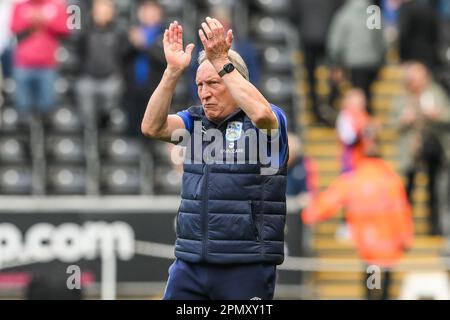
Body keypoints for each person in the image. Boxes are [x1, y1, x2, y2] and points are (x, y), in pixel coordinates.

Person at [141, 18, 289, 300]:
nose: (204, 93)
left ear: (235, 80)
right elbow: (152, 127)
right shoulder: (195, 122)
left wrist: (221, 59)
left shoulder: (269, 120)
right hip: (191, 262)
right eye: (199, 85)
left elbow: (261, 114)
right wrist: (172, 72)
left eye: (213, 83)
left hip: (245, 265)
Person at [302, 134, 414, 300]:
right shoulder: (391, 180)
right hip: (390, 243)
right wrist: (406, 238)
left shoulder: (353, 179)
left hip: (368, 243)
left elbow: (328, 201)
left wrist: (307, 214)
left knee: (371, 281)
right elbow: (401, 211)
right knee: (386, 284)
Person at [394, 62, 450, 235]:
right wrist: (404, 120)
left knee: (434, 189)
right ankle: (404, 228)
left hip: (434, 148)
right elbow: (392, 125)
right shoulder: (402, 98)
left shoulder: (435, 93)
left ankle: (434, 227)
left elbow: (448, 115)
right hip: (411, 150)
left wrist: (437, 114)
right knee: (407, 190)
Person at [10, 0, 69, 120]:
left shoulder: (56, 6)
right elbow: (14, 27)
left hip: (47, 66)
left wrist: (45, 20)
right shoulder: (20, 7)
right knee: (23, 108)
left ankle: (43, 137)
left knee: (47, 108)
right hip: (23, 65)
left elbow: (64, 29)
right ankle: (27, 137)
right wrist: (30, 20)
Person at [75, 0, 126, 135]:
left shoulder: (119, 32)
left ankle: (105, 129)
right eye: (100, 9)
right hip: (88, 77)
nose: (103, 13)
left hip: (110, 78)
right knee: (85, 100)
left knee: (111, 106)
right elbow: (79, 52)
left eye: (106, 10)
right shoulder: (85, 31)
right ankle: (90, 135)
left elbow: (124, 55)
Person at [123, 0, 166, 137]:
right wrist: (133, 43)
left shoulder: (166, 34)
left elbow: (163, 59)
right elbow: (121, 56)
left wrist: (144, 44)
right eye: (146, 11)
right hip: (133, 89)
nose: (149, 15)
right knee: (133, 130)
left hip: (155, 89)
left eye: (152, 11)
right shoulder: (133, 32)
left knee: (152, 130)